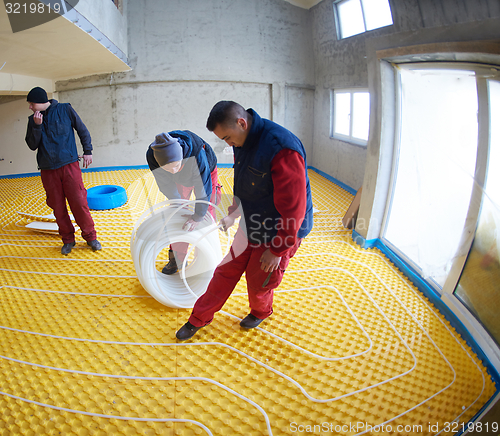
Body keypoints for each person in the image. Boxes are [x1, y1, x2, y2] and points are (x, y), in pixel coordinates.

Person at [176, 101, 314, 341]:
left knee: (260, 280)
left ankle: (261, 311)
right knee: (225, 271)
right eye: (224, 140)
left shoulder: (282, 148)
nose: (228, 144)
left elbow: (294, 209)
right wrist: (233, 213)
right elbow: (245, 184)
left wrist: (277, 249)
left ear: (242, 123)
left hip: (280, 231)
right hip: (252, 223)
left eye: (228, 137)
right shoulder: (242, 140)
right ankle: (198, 318)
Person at [25, 86, 101, 255]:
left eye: (31, 103)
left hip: (69, 165)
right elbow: (32, 145)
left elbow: (82, 130)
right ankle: (68, 240)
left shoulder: (65, 109)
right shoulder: (33, 120)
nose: (30, 107)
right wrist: (37, 126)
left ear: (40, 101)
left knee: (79, 202)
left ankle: (90, 237)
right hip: (48, 170)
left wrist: (88, 151)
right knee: (58, 207)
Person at [146, 130, 220, 274]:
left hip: (206, 172)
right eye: (168, 168)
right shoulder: (153, 156)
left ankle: (204, 259)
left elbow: (203, 190)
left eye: (176, 165)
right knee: (179, 214)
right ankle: (177, 259)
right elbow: (166, 185)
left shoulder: (196, 153)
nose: (173, 171)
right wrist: (179, 205)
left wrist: (198, 216)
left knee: (206, 215)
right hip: (182, 177)